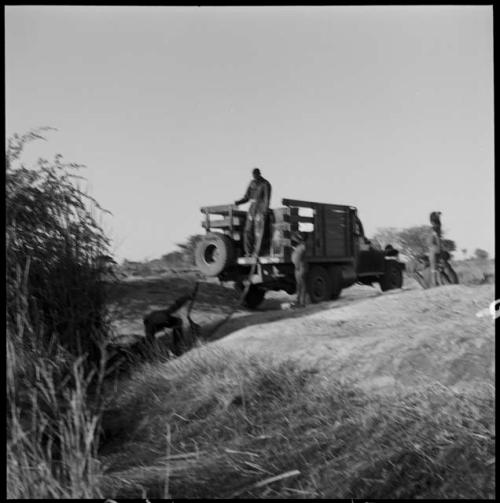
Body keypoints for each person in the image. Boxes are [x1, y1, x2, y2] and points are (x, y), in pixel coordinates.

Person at [234, 167, 272, 257]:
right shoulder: (252, 183)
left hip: (261, 209)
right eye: (253, 175)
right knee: (248, 230)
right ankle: (249, 252)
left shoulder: (266, 184)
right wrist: (238, 202)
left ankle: (257, 252)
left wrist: (264, 211)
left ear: (259, 174)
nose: (254, 176)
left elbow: (267, 199)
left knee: (259, 232)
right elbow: (247, 197)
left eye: (256, 174)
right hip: (252, 209)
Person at [291, 231, 308, 307]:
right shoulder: (299, 246)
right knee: (298, 285)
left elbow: (300, 253)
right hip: (298, 267)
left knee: (301, 285)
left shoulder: (303, 246)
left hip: (301, 268)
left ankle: (302, 303)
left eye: (299, 236)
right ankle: (298, 301)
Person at [428, 211, 442, 287]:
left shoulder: (434, 228)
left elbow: (435, 238)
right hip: (437, 247)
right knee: (438, 267)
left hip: (433, 248)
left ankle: (434, 284)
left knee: (433, 268)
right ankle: (439, 283)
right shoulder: (438, 227)